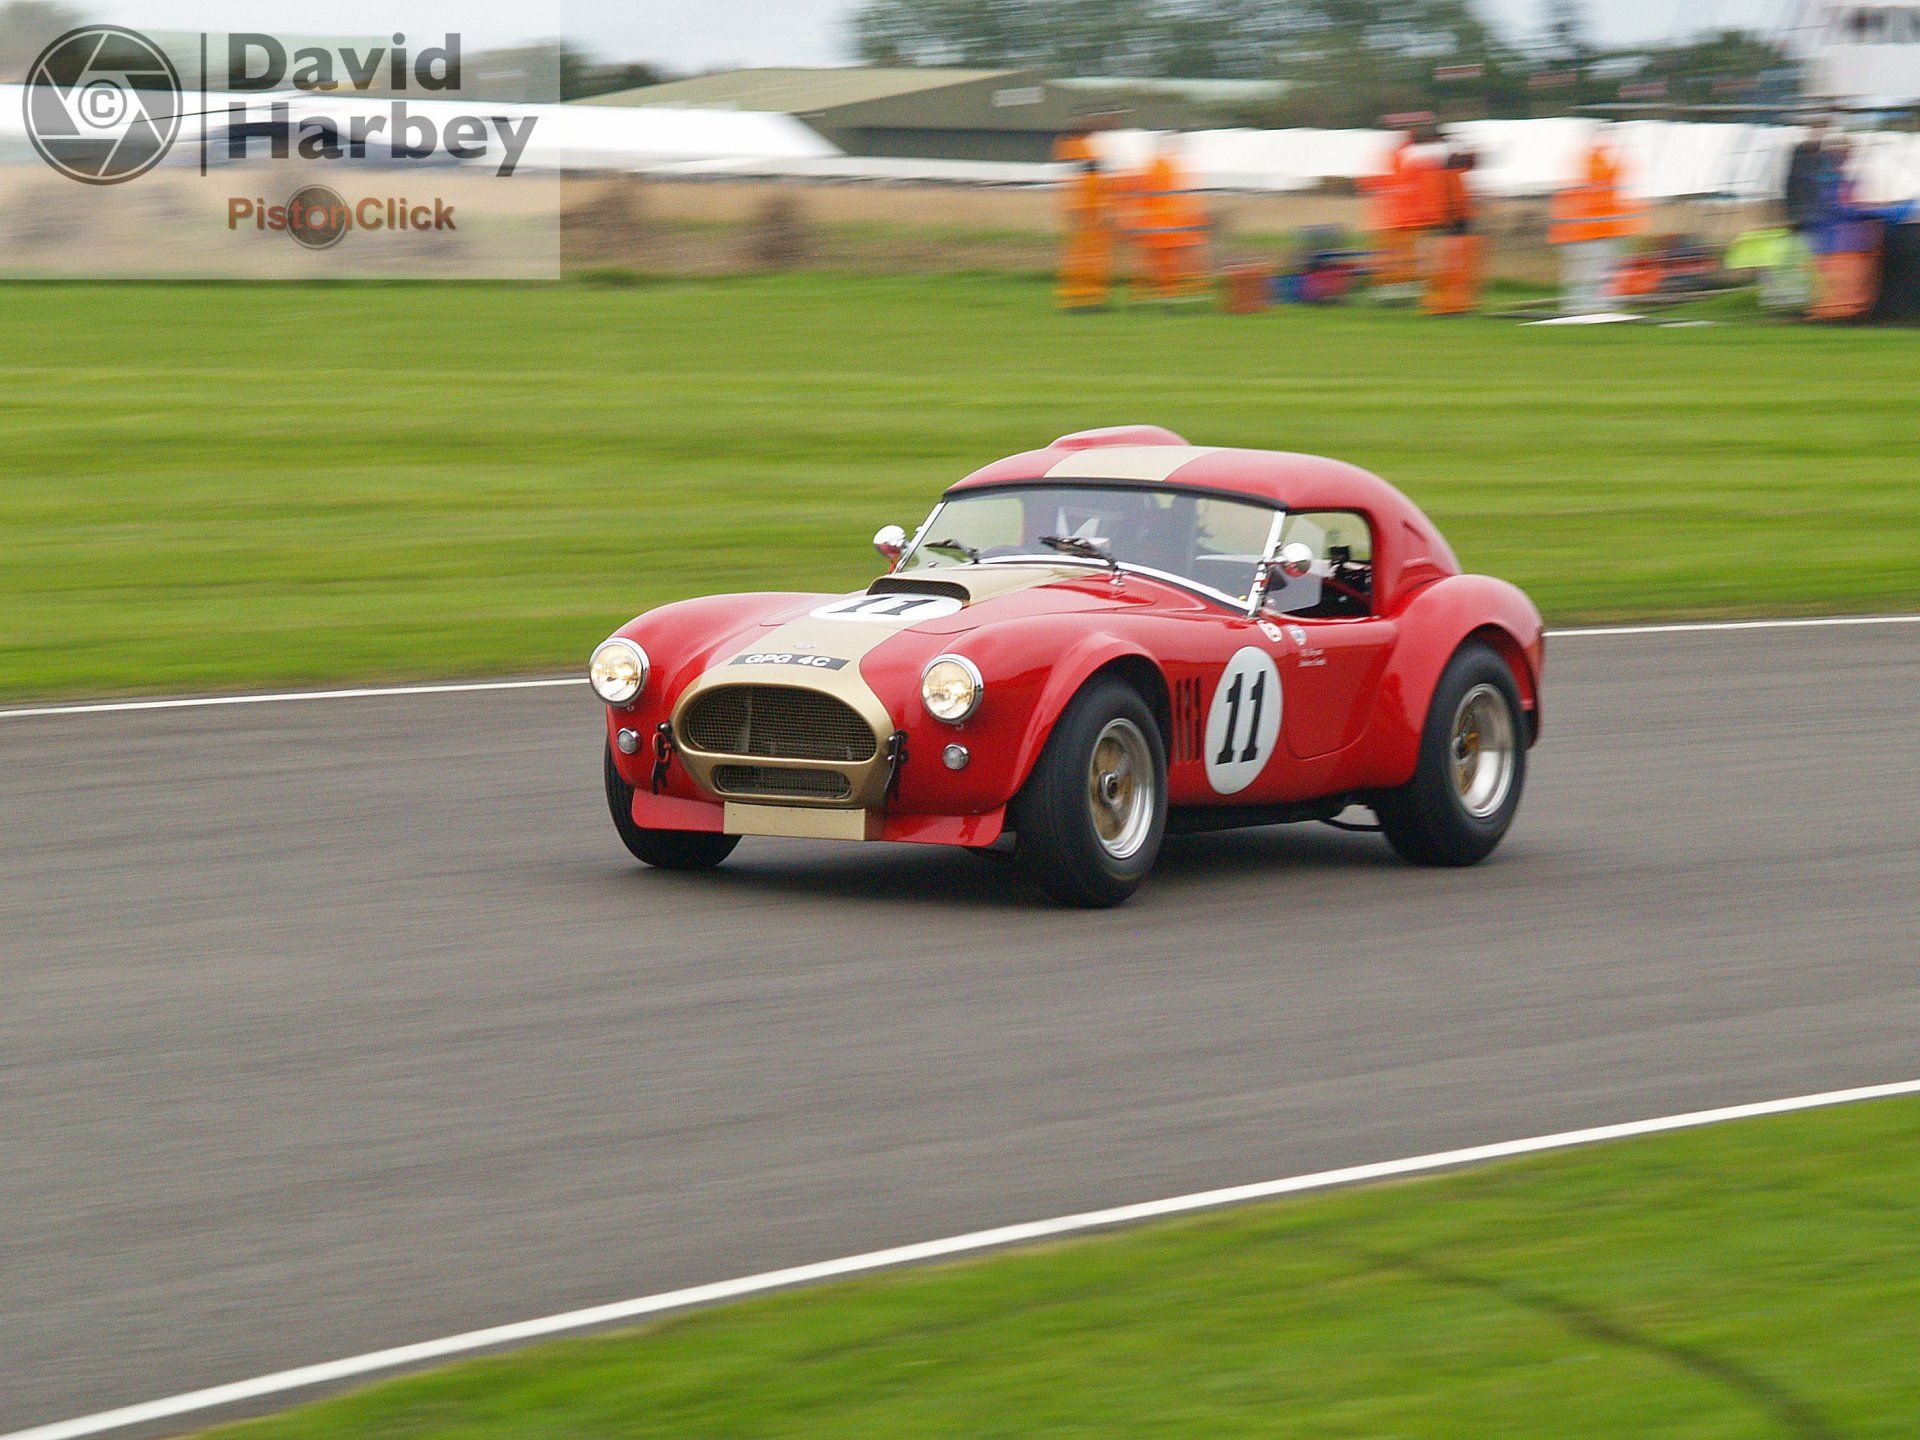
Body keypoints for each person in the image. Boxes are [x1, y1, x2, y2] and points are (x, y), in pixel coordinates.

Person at [1549, 127, 1645, 315]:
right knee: (1596, 272)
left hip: (1590, 231)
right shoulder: (1599, 168)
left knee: (1587, 273)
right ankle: (1591, 306)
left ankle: (1582, 306)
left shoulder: (1586, 165)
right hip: (1596, 230)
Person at [1131, 136, 1210, 301]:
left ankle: (1162, 291)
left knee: (1162, 262)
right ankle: (1169, 291)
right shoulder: (1168, 167)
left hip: (1161, 226)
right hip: (1166, 226)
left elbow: (1146, 197)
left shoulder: (1157, 167)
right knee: (1168, 262)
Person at [1054, 118, 1118, 311]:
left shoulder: (1078, 179)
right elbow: (1103, 206)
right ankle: (1092, 299)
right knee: (1093, 264)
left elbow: (1073, 206)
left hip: (1082, 227)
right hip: (1094, 227)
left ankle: (1074, 299)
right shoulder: (1096, 180)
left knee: (1077, 263)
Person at [1424, 148, 1481, 315]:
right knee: (1455, 265)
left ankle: (1448, 301)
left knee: (1448, 265)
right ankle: (1454, 301)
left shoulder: (1446, 175)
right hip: (1455, 225)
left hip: (1449, 224)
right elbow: (1456, 203)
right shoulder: (1453, 176)